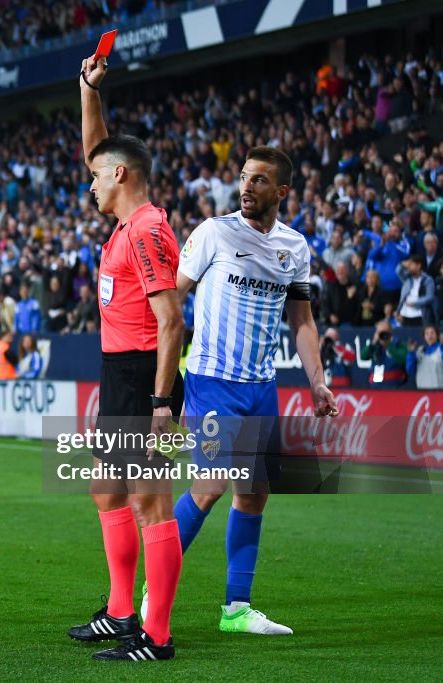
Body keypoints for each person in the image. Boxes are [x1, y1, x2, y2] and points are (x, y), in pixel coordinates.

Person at [169, 146, 338, 636]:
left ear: (281, 190)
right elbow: (173, 299)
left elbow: (302, 319)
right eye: (244, 178)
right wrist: (161, 378)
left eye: (259, 180)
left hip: (261, 385)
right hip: (212, 379)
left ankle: (236, 609)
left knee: (255, 493)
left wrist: (317, 381)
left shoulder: (295, 247)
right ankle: (152, 593)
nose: (246, 187)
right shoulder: (214, 232)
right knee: (210, 488)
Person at [67, 54, 185, 663]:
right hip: (122, 372)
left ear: (119, 175)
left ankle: (156, 637)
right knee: (106, 490)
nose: (88, 183)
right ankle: (119, 613)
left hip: (145, 377)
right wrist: (88, 90)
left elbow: (172, 321)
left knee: (149, 500)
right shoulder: (125, 220)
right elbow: (98, 149)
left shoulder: (144, 231)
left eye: (96, 176)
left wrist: (162, 402)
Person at [407, 325, 443, 389]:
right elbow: (410, 371)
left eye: (432, 333)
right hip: (424, 393)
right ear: (424, 337)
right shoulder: (419, 351)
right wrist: (411, 353)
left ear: (437, 335)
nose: (430, 335)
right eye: (427, 333)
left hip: (442, 393)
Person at [396, 254, 436, 326]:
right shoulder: (407, 279)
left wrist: (415, 303)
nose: (408, 267)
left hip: (419, 314)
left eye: (411, 264)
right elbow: (398, 271)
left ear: (418, 266)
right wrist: (402, 264)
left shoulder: (428, 280)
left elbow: (430, 297)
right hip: (404, 314)